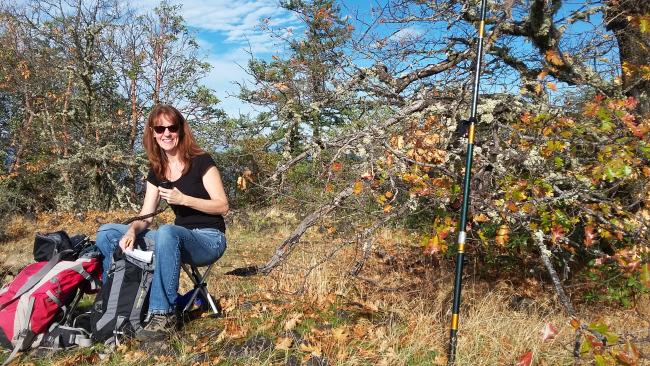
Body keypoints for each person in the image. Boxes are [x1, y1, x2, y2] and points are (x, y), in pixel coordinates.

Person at [95, 104, 228, 341]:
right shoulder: (157, 170)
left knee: (167, 231)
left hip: (208, 239)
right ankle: (113, 302)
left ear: (181, 130)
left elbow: (222, 205)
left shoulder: (201, 161)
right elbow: (146, 215)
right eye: (160, 128)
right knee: (106, 233)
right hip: (173, 240)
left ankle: (163, 314)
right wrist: (133, 231)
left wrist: (183, 199)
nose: (166, 133)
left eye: (172, 127)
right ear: (153, 132)